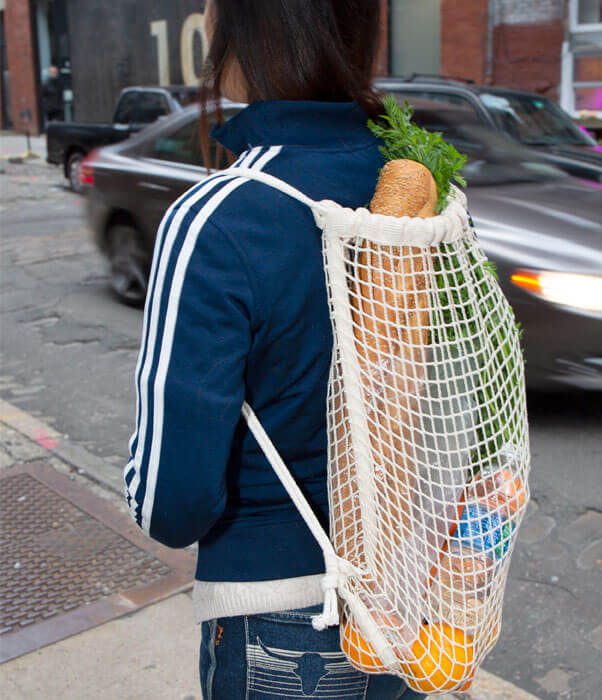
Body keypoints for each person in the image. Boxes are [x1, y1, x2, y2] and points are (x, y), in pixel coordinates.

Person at [123, 1, 423, 697]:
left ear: (249, 27)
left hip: (283, 624)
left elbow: (173, 506)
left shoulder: (218, 218)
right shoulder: (416, 183)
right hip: (409, 600)